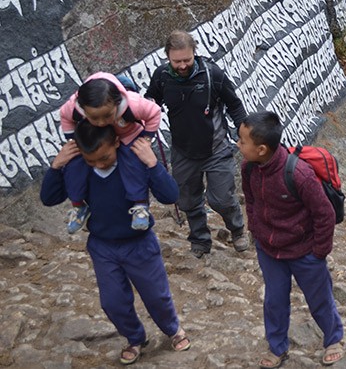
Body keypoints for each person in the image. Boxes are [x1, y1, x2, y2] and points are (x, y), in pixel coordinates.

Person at [40, 120, 191, 365]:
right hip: (103, 246)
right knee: (112, 301)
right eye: (91, 160)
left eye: (104, 157)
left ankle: (173, 329)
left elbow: (170, 195)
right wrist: (57, 166)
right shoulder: (80, 168)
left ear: (116, 142)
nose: (98, 164)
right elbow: (48, 197)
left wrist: (152, 163)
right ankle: (135, 338)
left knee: (157, 297)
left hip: (140, 244)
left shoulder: (133, 162)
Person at [237, 111, 344, 367]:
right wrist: (257, 230)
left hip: (305, 251)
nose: (238, 145)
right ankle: (277, 347)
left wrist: (319, 251)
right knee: (274, 300)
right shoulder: (248, 168)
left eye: (242, 141)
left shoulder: (299, 175)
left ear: (261, 148)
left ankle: (333, 339)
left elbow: (325, 214)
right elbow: (250, 201)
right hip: (270, 251)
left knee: (319, 299)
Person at [144, 30, 249, 258]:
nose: (182, 66)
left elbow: (235, 105)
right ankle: (200, 240)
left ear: (195, 53)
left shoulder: (212, 74)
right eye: (177, 61)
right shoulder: (162, 76)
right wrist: (149, 106)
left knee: (221, 198)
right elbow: (151, 98)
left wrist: (245, 133)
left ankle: (238, 229)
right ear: (167, 57)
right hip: (183, 150)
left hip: (216, 148)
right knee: (188, 200)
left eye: (187, 60)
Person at [59, 73, 162, 233]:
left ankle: (140, 204)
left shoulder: (133, 104)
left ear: (117, 103)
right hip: (97, 140)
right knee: (74, 164)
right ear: (83, 107)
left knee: (133, 162)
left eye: (107, 116)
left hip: (129, 135)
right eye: (94, 117)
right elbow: (65, 117)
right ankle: (78, 205)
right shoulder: (74, 107)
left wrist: (147, 138)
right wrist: (73, 140)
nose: (101, 122)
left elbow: (154, 112)